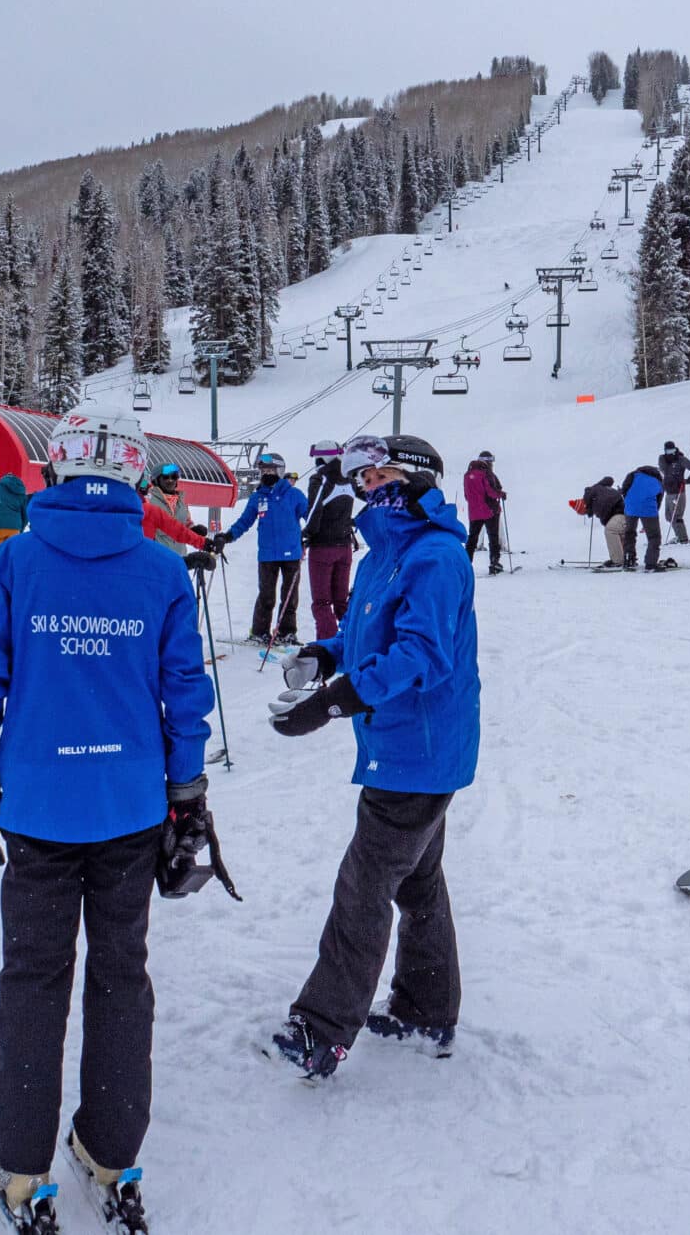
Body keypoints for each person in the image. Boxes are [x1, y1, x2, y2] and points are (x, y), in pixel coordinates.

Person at [0, 408, 214, 1231]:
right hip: (129, 809)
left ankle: (19, 1160)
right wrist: (187, 792)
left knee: (33, 978)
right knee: (119, 977)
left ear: (54, 472)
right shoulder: (163, 570)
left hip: (39, 809)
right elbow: (186, 697)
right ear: (135, 477)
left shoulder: (17, 561)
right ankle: (109, 1145)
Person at [263, 434, 479, 1080]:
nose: (368, 487)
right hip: (405, 747)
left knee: (363, 888)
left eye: (381, 474)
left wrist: (333, 701)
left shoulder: (435, 555)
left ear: (416, 477)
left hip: (418, 750)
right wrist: (325, 654)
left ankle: (322, 1030)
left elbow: (421, 655)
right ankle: (425, 1010)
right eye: (360, 478)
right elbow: (367, 628)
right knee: (417, 883)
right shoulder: (388, 551)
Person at [213, 453, 308, 646]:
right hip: (267, 555)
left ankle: (287, 632)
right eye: (263, 470)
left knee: (289, 597)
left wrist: (312, 534)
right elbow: (245, 521)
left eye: (271, 470)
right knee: (266, 595)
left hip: (291, 553)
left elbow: (311, 516)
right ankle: (259, 632)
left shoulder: (294, 495)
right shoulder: (258, 497)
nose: (267, 473)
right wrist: (228, 536)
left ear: (280, 471)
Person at [302, 442, 358, 640]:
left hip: (322, 547)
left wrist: (307, 534)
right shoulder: (349, 479)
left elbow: (314, 510)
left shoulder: (321, 479)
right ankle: (350, 639)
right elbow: (370, 499)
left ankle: (327, 645)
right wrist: (352, 521)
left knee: (322, 602)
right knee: (341, 600)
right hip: (344, 546)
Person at [461, 450, 507, 575]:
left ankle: (465, 564)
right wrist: (501, 494)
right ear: (487, 461)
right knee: (493, 537)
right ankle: (494, 563)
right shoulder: (486, 474)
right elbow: (491, 492)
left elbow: (466, 495)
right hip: (489, 511)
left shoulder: (468, 475)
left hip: (474, 512)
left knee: (472, 538)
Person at [619, 460, 669, 571]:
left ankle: (628, 559)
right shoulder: (658, 481)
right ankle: (650, 563)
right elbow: (659, 500)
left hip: (630, 508)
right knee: (654, 537)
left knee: (629, 533)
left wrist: (629, 502)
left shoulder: (633, 475)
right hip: (648, 509)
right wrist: (653, 514)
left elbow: (624, 489)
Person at [578, 475, 628, 571]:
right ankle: (626, 558)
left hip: (621, 514)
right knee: (618, 532)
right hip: (629, 515)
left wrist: (589, 511)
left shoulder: (592, 493)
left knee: (610, 530)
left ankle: (618, 561)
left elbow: (604, 512)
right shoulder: (605, 489)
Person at [657, 441, 690, 544]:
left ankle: (683, 539)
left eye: (672, 450)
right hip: (668, 492)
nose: (670, 452)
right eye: (668, 450)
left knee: (676, 516)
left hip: (679, 491)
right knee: (668, 516)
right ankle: (678, 536)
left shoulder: (680, 459)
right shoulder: (662, 459)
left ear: (675, 449)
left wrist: (689, 479)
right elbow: (665, 471)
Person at [0, 471, 31, 550]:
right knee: (11, 554)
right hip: (14, 528)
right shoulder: (21, 491)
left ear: (4, 478)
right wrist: (20, 528)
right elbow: (25, 513)